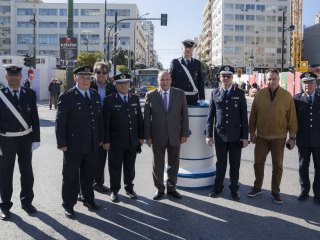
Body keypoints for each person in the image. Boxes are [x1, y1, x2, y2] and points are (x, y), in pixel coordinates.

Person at [55, 66, 103, 218]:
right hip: (73, 145)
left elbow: (98, 119)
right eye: (82, 77)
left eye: (88, 78)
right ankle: (68, 205)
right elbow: (60, 122)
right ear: (75, 78)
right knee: (70, 177)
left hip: (91, 144)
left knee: (88, 176)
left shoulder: (94, 95)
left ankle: (88, 200)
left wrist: (100, 138)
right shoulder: (67, 96)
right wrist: (61, 142)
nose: (85, 80)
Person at [247, 68, 298, 204]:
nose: (272, 81)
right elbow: (253, 116)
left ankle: (275, 192)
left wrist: (292, 137)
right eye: (269, 79)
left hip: (279, 137)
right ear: (266, 80)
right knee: (258, 163)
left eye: (274, 78)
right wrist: (252, 132)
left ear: (278, 79)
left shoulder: (287, 96)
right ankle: (257, 187)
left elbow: (292, 118)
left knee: (278, 165)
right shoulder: (260, 95)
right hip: (262, 137)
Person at [0, 64, 40, 221]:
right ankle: (4, 205)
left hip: (25, 139)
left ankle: (27, 202)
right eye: (11, 75)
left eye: (17, 75)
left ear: (21, 77)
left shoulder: (29, 93)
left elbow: (35, 118)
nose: (14, 77)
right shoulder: (1, 95)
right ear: (6, 77)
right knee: (5, 174)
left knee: (27, 173)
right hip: (6, 140)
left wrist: (36, 138)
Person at [144, 71, 189, 200]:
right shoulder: (150, 95)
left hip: (175, 134)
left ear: (171, 80)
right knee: (157, 164)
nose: (165, 82)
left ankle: (171, 188)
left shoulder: (180, 94)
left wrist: (184, 133)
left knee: (173, 163)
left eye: (167, 79)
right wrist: (148, 136)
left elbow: (184, 115)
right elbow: (146, 118)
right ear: (158, 81)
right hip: (157, 135)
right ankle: (159, 189)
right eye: (162, 80)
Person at [206, 65, 249, 200]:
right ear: (219, 77)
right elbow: (210, 116)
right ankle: (218, 188)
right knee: (221, 164)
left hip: (236, 137)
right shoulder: (215, 93)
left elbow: (244, 117)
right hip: (220, 136)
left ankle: (234, 189)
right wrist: (208, 135)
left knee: (235, 165)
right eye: (223, 76)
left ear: (232, 77)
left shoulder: (240, 93)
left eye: (228, 76)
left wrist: (244, 137)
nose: (226, 78)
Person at [103, 73, 144, 203]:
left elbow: (139, 120)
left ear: (129, 84)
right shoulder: (110, 100)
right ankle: (114, 190)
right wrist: (106, 140)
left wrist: (141, 137)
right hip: (115, 142)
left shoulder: (134, 99)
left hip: (132, 140)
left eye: (126, 83)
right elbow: (105, 123)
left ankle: (129, 188)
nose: (124, 86)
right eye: (120, 83)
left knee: (130, 167)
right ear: (116, 85)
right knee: (115, 167)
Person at [294, 72, 320, 204]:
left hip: (318, 140)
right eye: (305, 82)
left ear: (315, 83)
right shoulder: (296, 99)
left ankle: (318, 193)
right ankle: (304, 190)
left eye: (310, 82)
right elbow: (292, 120)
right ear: (302, 84)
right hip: (303, 139)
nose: (308, 85)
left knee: (319, 167)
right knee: (303, 166)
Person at [90, 62, 116, 193]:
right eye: (98, 72)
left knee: (101, 157)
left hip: (105, 125)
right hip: (90, 126)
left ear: (107, 74)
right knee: (87, 158)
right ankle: (83, 187)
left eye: (104, 72)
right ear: (94, 73)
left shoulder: (112, 87)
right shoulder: (88, 85)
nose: (101, 75)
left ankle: (98, 183)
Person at [169, 39, 205, 106]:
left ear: (193, 49)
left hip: (193, 98)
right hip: (179, 98)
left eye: (190, 48)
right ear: (182, 49)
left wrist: (202, 99)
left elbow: (200, 82)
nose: (188, 49)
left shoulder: (197, 63)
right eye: (186, 47)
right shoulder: (175, 62)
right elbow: (171, 81)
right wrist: (171, 97)